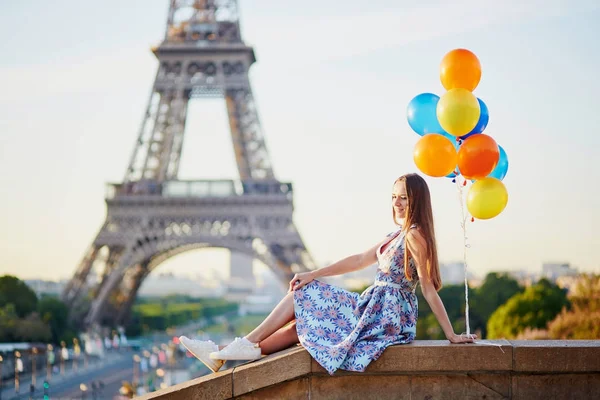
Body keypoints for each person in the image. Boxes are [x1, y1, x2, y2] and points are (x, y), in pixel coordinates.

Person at [180, 173, 476, 375]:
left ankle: (238, 344)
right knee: (301, 326)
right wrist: (314, 272)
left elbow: (427, 287)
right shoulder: (395, 235)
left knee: (301, 296)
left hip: (385, 316)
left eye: (404, 199)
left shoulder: (414, 236)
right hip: (372, 306)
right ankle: (224, 353)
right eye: (394, 196)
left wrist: (450, 334)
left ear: (417, 202)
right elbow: (359, 259)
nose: (396, 203)